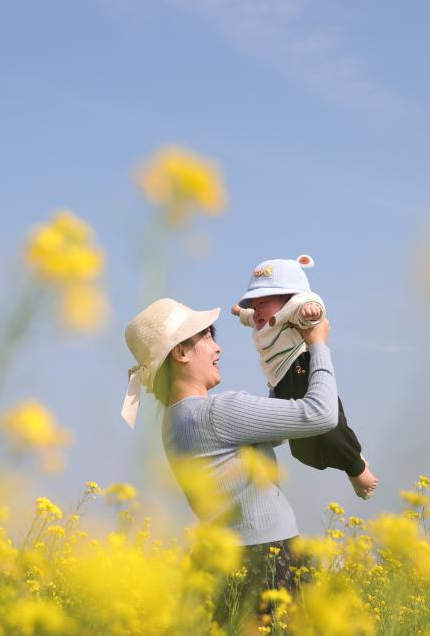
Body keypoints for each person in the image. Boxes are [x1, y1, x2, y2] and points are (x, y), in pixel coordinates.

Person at [121, 297, 339, 624]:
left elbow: (275, 431)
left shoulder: (174, 422)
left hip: (224, 564)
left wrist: (283, 355)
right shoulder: (217, 413)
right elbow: (320, 415)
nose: (218, 348)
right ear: (180, 353)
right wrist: (319, 345)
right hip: (269, 560)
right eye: (207, 336)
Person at [231, 255, 378, 499]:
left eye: (262, 303)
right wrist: (240, 312)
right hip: (279, 384)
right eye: (254, 305)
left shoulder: (293, 313)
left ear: (287, 298)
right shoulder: (263, 321)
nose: (256, 311)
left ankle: (356, 468)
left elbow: (311, 304)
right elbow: (249, 317)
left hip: (300, 369)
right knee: (302, 450)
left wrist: (312, 310)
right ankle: (351, 456)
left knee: (327, 423)